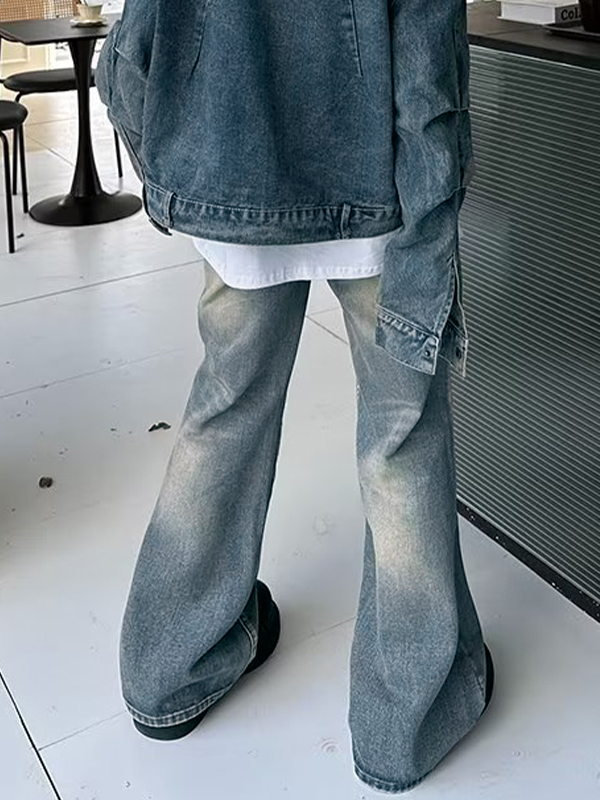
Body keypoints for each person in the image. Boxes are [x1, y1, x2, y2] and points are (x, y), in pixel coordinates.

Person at [96, 0, 494, 792]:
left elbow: (140, 34)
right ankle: (404, 724)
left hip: (231, 173)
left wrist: (171, 158)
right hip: (376, 189)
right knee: (401, 437)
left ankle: (166, 669)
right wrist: (431, 210)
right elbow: (426, 57)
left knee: (224, 411)